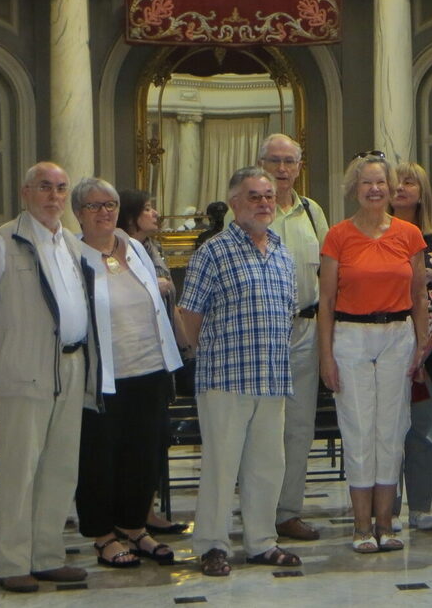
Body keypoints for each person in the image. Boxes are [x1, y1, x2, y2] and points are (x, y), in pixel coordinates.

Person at [0, 161, 96, 593]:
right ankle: (13, 562)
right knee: (20, 471)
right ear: (25, 193)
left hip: (71, 366)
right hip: (24, 371)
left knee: (60, 468)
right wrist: (1, 359)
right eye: (44, 187)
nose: (54, 196)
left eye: (61, 188)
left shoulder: (71, 243)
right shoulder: (1, 243)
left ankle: (47, 556)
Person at [178, 167, 301, 576]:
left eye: (269, 196)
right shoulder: (213, 252)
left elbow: (288, 311)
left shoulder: (282, 251)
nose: (264, 203)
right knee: (221, 468)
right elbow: (190, 316)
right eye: (254, 196)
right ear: (234, 203)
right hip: (225, 378)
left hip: (272, 377)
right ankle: (212, 545)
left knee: (267, 467)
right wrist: (211, 353)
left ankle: (261, 542)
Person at [318, 152, 429, 553]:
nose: (375, 189)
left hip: (398, 335)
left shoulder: (409, 235)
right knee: (358, 429)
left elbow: (419, 295)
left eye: (381, 182)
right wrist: (326, 356)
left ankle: (386, 522)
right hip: (350, 337)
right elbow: (326, 302)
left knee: (392, 429)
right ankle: (361, 525)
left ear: (391, 188)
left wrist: (421, 346)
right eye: (367, 183)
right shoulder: (338, 236)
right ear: (355, 189)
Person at [71, 179, 184, 565]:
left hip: (149, 367)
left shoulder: (133, 246)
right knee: (100, 457)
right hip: (104, 375)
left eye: (111, 204)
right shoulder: (73, 255)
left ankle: (135, 526)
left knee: (145, 452)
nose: (104, 212)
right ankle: (104, 535)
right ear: (79, 213)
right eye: (94, 206)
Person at [239, 134, 330, 544]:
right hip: (259, 333)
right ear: (261, 163)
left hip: (306, 330)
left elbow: (328, 275)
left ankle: (288, 512)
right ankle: (257, 514)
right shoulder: (246, 210)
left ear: (298, 166)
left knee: (298, 427)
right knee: (259, 428)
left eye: (289, 161)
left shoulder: (312, 211)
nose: (281, 169)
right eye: (273, 160)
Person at [117, 188, 189, 535]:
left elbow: (170, 303)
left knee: (156, 437)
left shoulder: (152, 248)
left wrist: (185, 344)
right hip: (135, 357)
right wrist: (151, 286)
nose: (155, 213)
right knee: (136, 440)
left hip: (162, 355)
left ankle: (147, 510)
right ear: (131, 216)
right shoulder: (118, 250)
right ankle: (131, 515)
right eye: (147, 209)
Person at [389, 160, 432, 531]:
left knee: (424, 428)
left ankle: (421, 507)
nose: (401, 188)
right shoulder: (379, 236)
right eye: (396, 182)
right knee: (389, 429)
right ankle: (387, 509)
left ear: (422, 190)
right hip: (390, 339)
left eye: (409, 182)